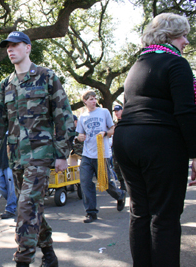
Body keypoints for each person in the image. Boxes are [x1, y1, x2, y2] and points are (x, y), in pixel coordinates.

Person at [113, 13, 196, 267]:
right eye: (183, 35)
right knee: (165, 217)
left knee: (140, 213)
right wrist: (195, 154)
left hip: (126, 142)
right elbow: (186, 111)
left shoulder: (138, 64)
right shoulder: (176, 63)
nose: (186, 41)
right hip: (159, 142)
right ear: (170, 36)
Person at [0, 31, 75, 267]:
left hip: (41, 155)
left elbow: (63, 117)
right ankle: (49, 253)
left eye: (15, 45)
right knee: (32, 209)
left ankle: (23, 262)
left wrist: (62, 153)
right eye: (7, 46)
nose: (10, 49)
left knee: (25, 207)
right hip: (16, 157)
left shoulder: (46, 76)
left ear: (28, 48)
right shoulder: (5, 85)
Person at [76, 90, 126, 224]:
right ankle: (91, 212)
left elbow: (112, 129)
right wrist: (79, 137)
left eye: (94, 98)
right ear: (85, 101)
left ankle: (120, 195)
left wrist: (105, 133)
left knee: (106, 182)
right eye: (91, 99)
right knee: (85, 183)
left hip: (102, 154)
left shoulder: (104, 112)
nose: (94, 101)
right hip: (87, 154)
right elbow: (80, 135)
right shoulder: (82, 117)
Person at [0, 106, 17, 219]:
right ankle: (14, 200)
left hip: (10, 161)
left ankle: (10, 208)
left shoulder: (11, 126)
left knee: (11, 183)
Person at [111, 105, 125, 190]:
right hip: (116, 147)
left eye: (118, 111)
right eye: (115, 111)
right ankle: (122, 182)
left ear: (122, 110)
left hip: (126, 146)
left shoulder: (127, 121)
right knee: (116, 165)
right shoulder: (114, 124)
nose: (116, 113)